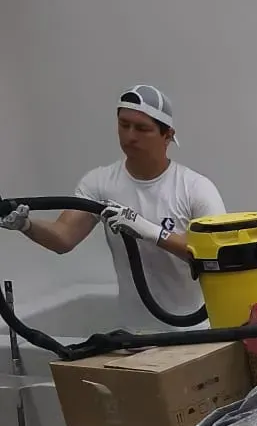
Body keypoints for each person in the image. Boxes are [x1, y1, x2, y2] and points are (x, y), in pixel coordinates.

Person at [1, 86, 224, 331]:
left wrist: (149, 231)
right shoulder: (100, 184)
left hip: (193, 334)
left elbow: (216, 257)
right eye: (123, 125)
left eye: (142, 128)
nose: (130, 136)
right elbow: (63, 238)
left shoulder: (195, 188)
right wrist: (27, 225)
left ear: (167, 135)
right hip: (134, 335)